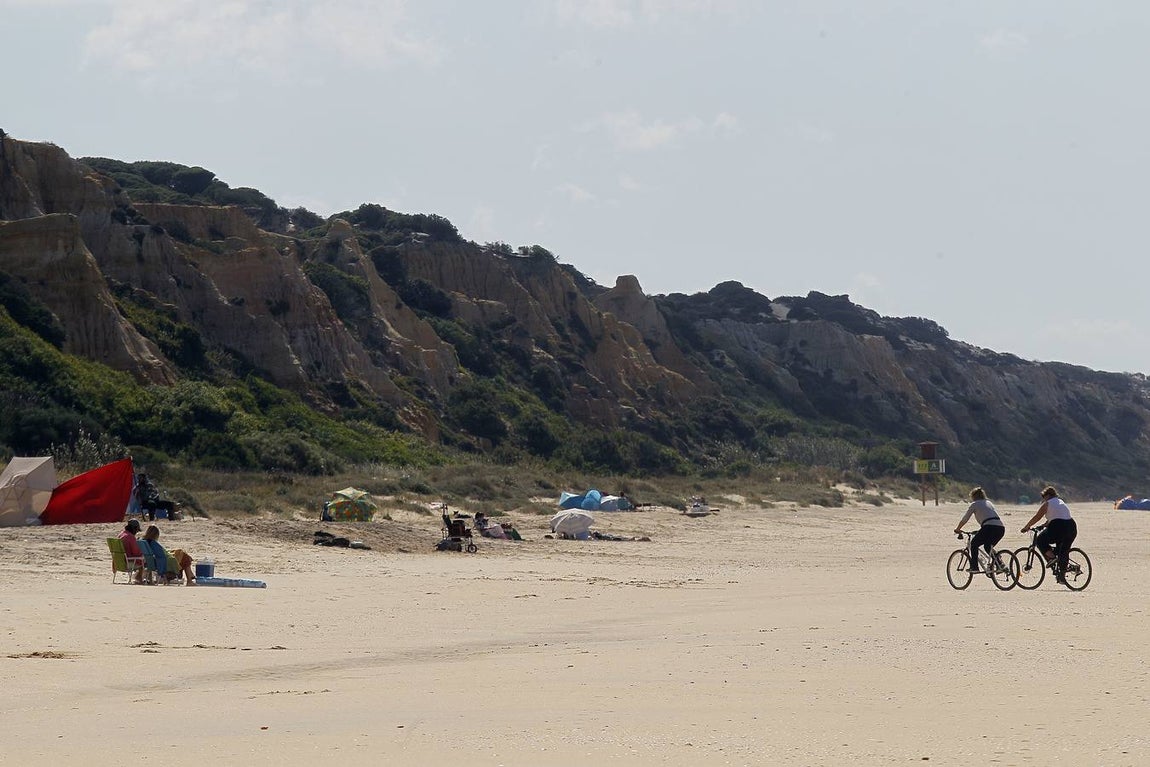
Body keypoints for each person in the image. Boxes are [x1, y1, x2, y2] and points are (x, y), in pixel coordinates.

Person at [1021, 486, 1077, 584]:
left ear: (1047, 495)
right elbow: (1056, 517)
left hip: (1059, 526)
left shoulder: (1048, 503)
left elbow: (1037, 516)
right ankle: (1062, 576)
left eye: (1044, 497)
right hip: (1071, 527)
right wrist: (1044, 525)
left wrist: (1027, 527)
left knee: (1040, 540)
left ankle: (1052, 558)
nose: (1043, 499)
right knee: (1063, 551)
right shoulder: (1060, 502)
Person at [954, 486, 1005, 572]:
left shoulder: (974, 504)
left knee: (974, 544)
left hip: (988, 527)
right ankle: (1000, 564)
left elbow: (965, 519)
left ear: (973, 496)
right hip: (1000, 528)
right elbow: (989, 517)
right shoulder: (989, 503)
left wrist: (958, 529)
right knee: (988, 546)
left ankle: (974, 567)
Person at [118, 519, 146, 584]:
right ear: (134, 529)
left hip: (119, 562)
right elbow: (136, 552)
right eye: (137, 530)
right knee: (144, 560)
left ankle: (138, 577)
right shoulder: (131, 537)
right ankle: (139, 578)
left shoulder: (121, 535)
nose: (136, 532)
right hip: (127, 562)